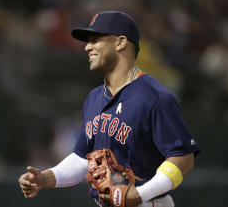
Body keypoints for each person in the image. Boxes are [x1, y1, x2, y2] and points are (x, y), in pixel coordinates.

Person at [18, 11, 201, 207]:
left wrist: (140, 194)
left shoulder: (154, 96)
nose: (88, 47)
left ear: (120, 42)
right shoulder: (94, 98)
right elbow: (83, 158)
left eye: (96, 40)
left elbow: (183, 157)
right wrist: (45, 178)